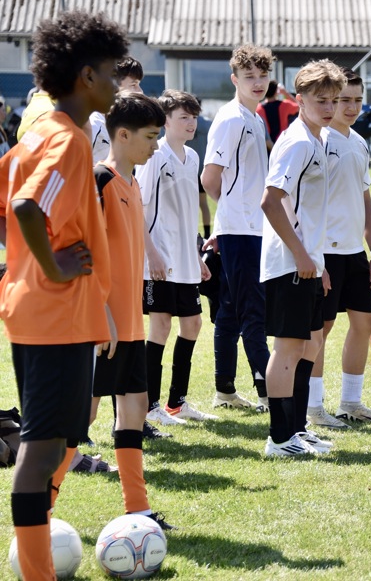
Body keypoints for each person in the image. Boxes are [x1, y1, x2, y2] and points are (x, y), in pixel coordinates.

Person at [0, 10, 126, 581]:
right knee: (40, 450)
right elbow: (27, 205)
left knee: (52, 446)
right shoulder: (68, 142)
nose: (118, 82)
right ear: (84, 76)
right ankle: (34, 573)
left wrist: (27, 264)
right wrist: (49, 263)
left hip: (53, 313)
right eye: (110, 71)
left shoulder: (39, 135)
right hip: (54, 316)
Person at [90, 91, 176, 531]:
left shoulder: (132, 181)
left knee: (136, 407)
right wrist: (99, 314)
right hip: (101, 326)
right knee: (77, 421)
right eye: (150, 136)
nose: (156, 146)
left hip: (129, 323)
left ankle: (138, 509)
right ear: (121, 136)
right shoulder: (100, 181)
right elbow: (81, 253)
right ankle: (39, 515)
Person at [259, 59, 346, 457]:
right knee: (289, 348)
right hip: (288, 263)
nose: (328, 107)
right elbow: (270, 202)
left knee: (309, 344)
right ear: (300, 100)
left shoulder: (320, 139)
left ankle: (296, 430)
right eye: (320, 100)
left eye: (333, 100)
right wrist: (300, 255)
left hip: (309, 263)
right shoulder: (296, 143)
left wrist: (319, 263)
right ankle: (279, 439)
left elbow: (310, 211)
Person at [306, 69, 371, 429]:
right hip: (324, 252)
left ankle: (351, 403)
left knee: (364, 321)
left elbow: (364, 198)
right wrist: (312, 255)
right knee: (319, 330)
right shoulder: (318, 141)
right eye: (345, 100)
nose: (352, 106)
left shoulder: (358, 141)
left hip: (354, 252)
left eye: (358, 99)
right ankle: (312, 408)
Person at [138, 89, 219, 429]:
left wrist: (196, 256)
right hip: (157, 259)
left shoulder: (192, 156)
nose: (191, 123)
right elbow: (137, 209)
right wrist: (151, 254)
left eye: (193, 116)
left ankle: (176, 402)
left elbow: (187, 213)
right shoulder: (154, 156)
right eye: (183, 117)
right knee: (161, 326)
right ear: (165, 120)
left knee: (193, 324)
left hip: (185, 260)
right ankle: (149, 405)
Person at [201, 44, 275, 413]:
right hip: (242, 231)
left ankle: (225, 391)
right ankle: (272, 395)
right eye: (250, 77)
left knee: (230, 312)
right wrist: (229, 216)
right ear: (235, 79)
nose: (258, 82)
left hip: (247, 229)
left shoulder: (255, 117)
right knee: (253, 314)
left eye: (263, 76)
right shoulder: (231, 119)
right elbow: (210, 178)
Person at [89, 57, 144, 164]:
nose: (140, 91)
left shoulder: (123, 125)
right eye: (134, 85)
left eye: (139, 85)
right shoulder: (93, 124)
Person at [256, 80, 300, 144]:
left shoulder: (258, 108)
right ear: (276, 92)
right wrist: (285, 93)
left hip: (266, 144)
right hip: (282, 141)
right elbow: (299, 107)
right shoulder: (284, 105)